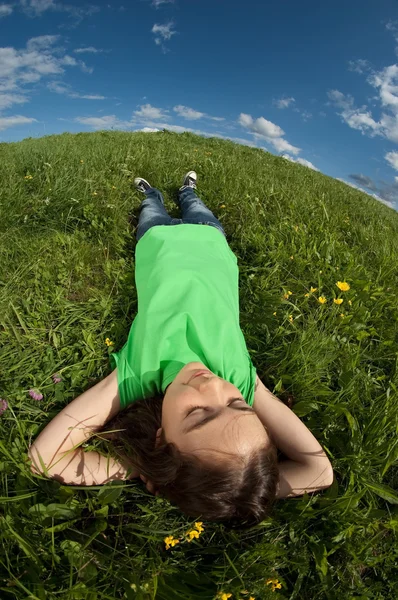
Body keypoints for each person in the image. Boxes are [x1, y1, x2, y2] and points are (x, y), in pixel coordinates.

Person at [29, 171, 333, 528]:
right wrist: (245, 487)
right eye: (236, 404)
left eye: (198, 414)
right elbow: (319, 472)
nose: (212, 387)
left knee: (150, 209)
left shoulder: (136, 375)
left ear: (162, 437)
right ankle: (188, 190)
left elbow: (44, 460)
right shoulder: (244, 381)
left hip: (156, 241)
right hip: (211, 241)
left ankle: (151, 194)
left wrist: (156, 469)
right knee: (195, 205)